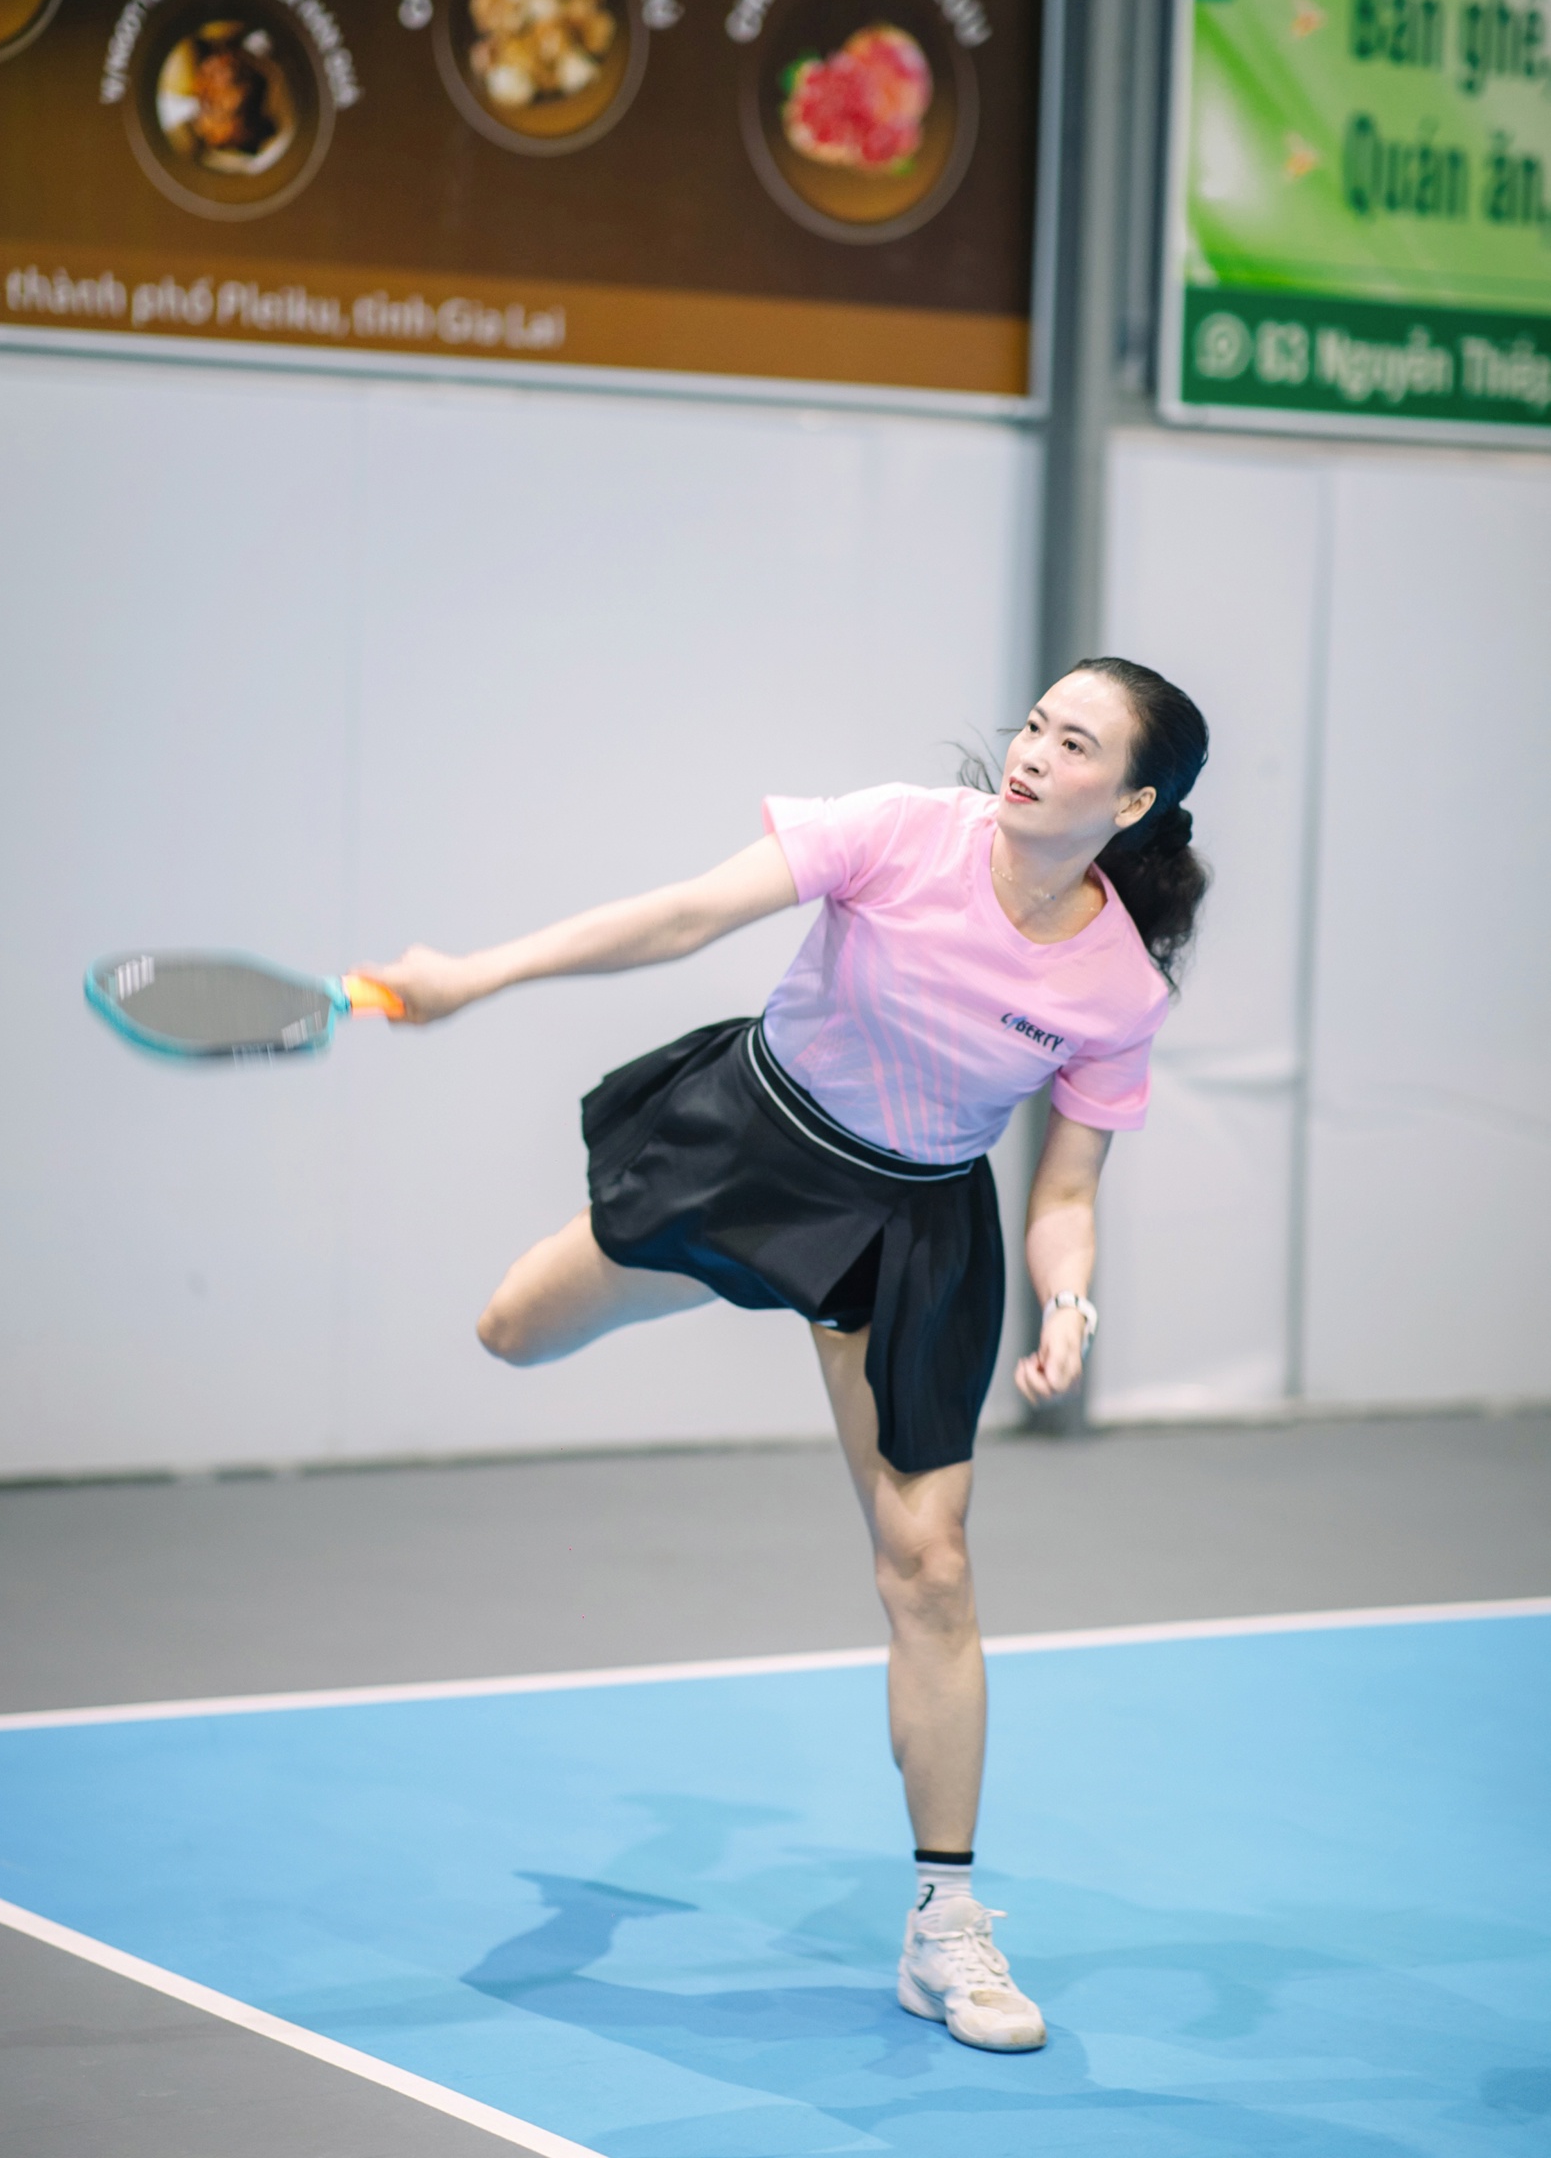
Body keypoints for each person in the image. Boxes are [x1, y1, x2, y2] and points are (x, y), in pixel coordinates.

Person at [371, 656, 1210, 2054]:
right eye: (1035, 724)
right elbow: (687, 913)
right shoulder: (898, 831)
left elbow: (1066, 1192)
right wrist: (477, 974)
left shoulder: (1116, 987)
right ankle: (694, 1273)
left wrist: (1069, 1308)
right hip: (753, 1151)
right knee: (511, 1330)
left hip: (909, 1226)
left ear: (1129, 803)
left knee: (930, 1567)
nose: (1032, 752)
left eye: (1076, 745)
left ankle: (945, 1926)